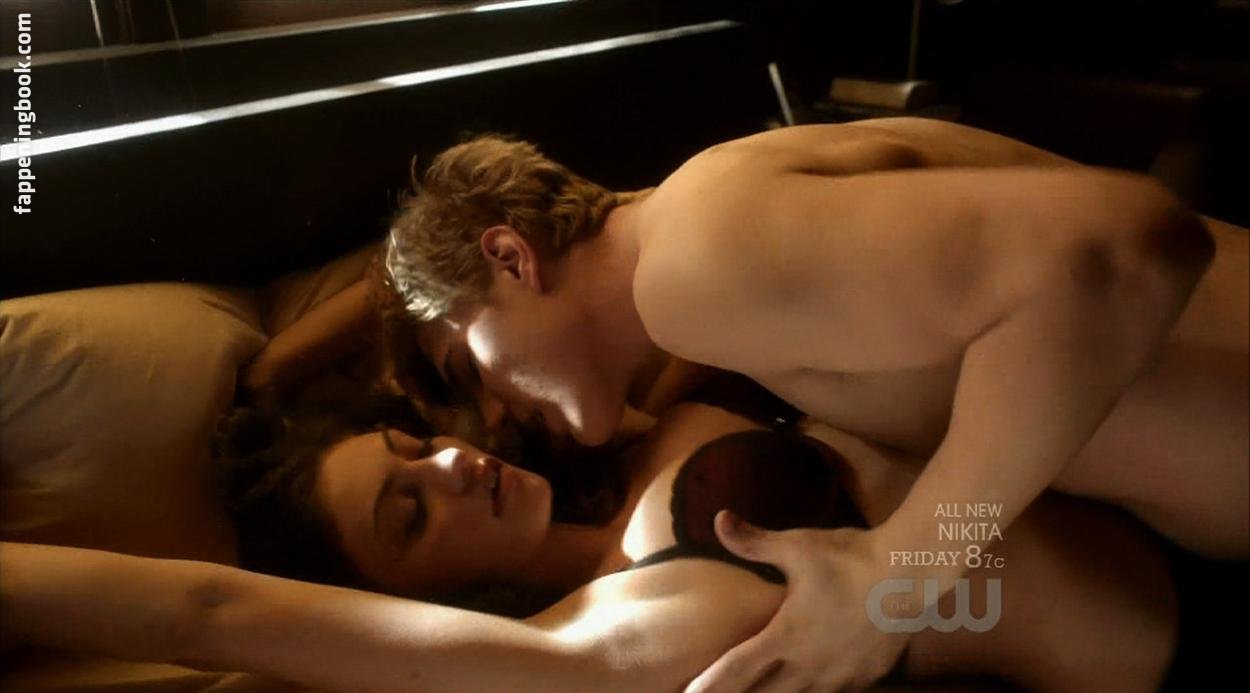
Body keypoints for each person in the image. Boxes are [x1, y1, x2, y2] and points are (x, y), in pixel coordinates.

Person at [240, 117, 1245, 690]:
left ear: (511, 257)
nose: (489, 421)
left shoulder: (696, 268)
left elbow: (1126, 250)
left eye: (466, 368)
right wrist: (269, 372)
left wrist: (900, 575)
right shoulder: (705, 232)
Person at [1, 388, 1178, 691]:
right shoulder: (601, 643)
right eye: (409, 513)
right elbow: (206, 613)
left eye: (417, 447)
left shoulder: (633, 418)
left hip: (1165, 492)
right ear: (407, 601)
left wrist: (276, 361)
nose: (451, 470)